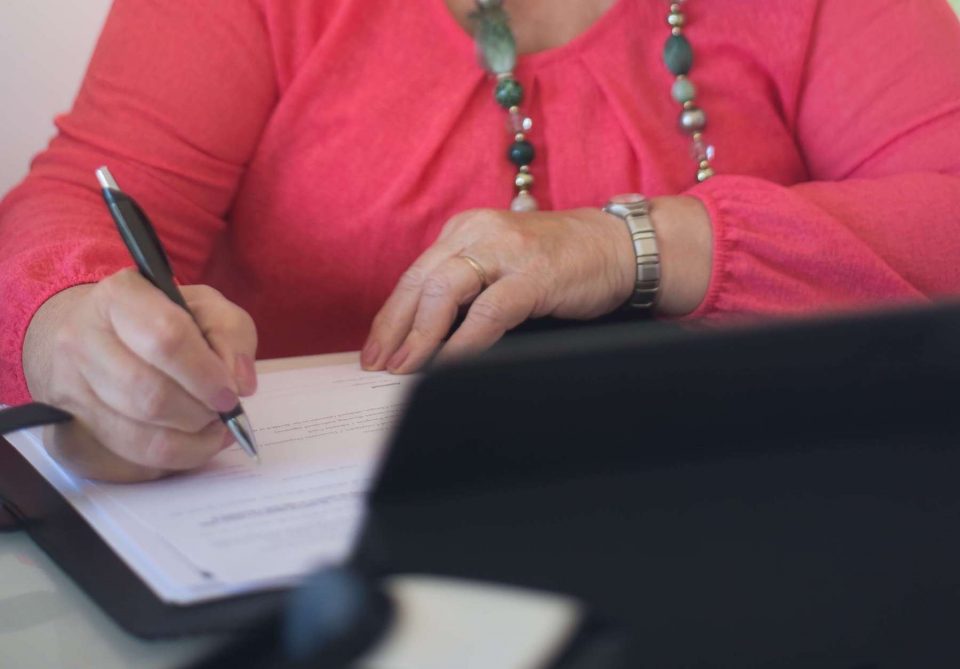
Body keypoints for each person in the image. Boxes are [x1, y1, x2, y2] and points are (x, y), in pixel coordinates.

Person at [1, 0, 959, 482]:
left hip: (753, 505)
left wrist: (628, 244)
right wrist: (67, 324)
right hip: (327, 558)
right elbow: (74, 206)